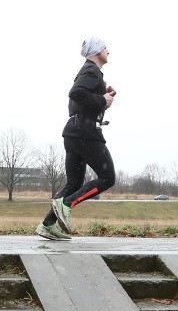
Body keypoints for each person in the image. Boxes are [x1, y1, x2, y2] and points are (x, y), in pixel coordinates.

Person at [36, 36, 117, 240]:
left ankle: (47, 225)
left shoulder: (88, 71)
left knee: (73, 183)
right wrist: (101, 99)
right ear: (97, 51)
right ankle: (67, 204)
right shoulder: (91, 70)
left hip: (73, 132)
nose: (109, 50)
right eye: (105, 47)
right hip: (86, 133)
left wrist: (102, 96)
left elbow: (82, 96)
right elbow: (76, 92)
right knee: (107, 178)